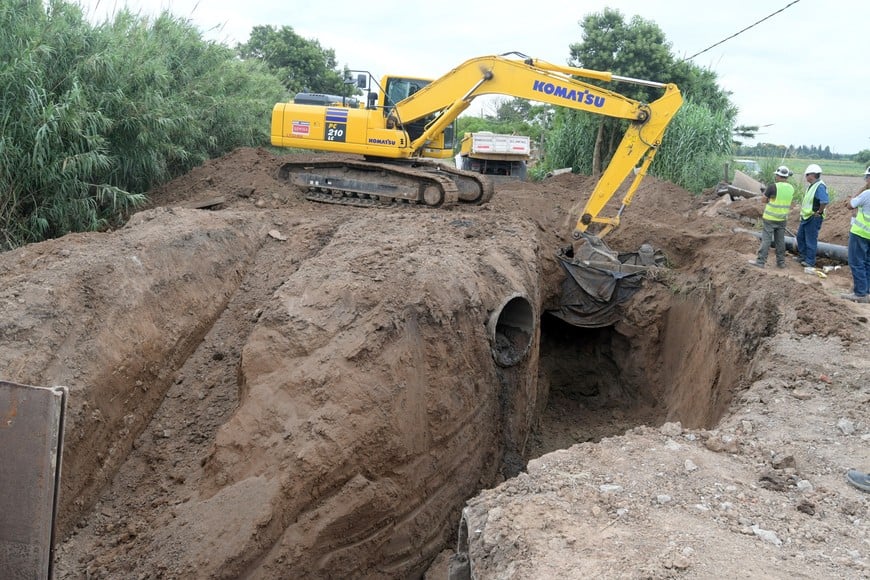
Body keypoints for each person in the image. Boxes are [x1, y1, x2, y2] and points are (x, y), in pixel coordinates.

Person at [750, 165, 795, 269]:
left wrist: (769, 198)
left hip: (770, 218)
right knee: (780, 241)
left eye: (776, 175)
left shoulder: (773, 187)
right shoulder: (791, 188)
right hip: (782, 218)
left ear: (778, 176)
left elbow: (763, 200)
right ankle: (781, 262)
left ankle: (760, 262)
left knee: (766, 240)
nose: (776, 177)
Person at [840, 166, 870, 303]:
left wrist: (859, 192)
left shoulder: (867, 194)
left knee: (857, 262)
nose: (866, 180)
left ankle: (860, 293)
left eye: (867, 178)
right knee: (868, 262)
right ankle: (866, 290)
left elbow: (850, 205)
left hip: (860, 233)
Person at [794, 164, 829, 267]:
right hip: (806, 216)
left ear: (813, 175)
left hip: (813, 218)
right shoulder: (812, 185)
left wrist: (819, 212)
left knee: (810, 240)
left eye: (807, 174)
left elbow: (824, 201)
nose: (806, 177)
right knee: (800, 237)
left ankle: (810, 261)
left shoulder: (820, 186)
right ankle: (803, 256)